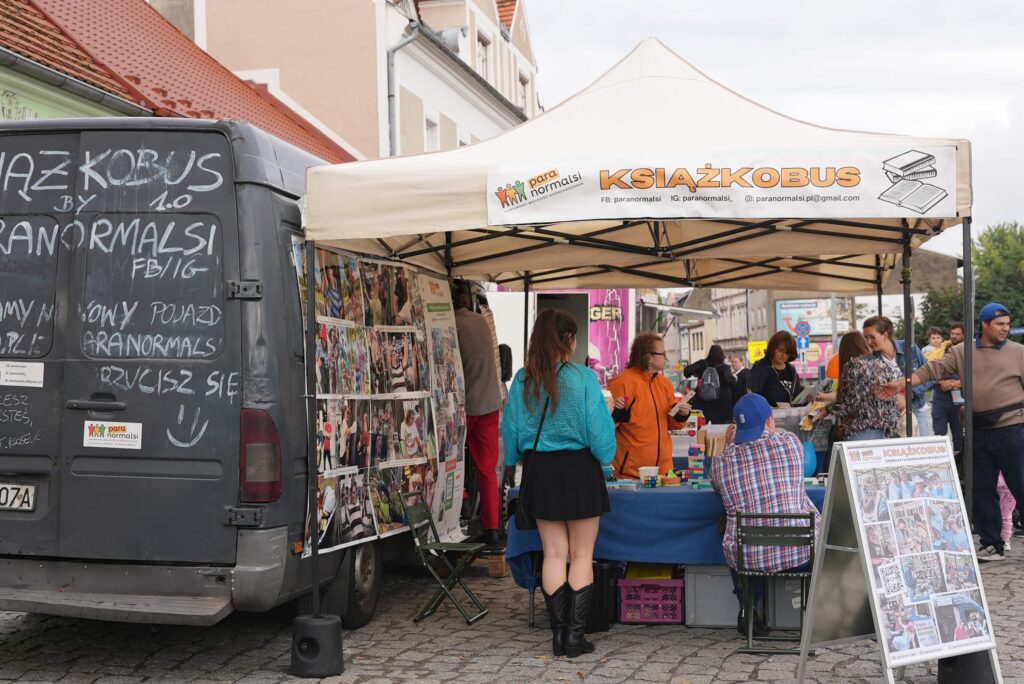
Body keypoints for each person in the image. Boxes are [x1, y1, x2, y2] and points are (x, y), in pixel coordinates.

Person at [502, 309, 616, 659]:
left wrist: (514, 460)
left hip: (540, 472)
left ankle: (557, 637)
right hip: (580, 470)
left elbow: (511, 435)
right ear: (568, 340)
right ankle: (574, 638)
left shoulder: (522, 379)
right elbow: (601, 440)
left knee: (553, 554)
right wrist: (607, 452)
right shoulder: (583, 378)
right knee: (582, 555)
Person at [878, 303, 1024, 562]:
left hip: (1012, 428)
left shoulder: (1019, 352)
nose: (1005, 328)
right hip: (978, 428)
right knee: (981, 487)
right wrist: (901, 383)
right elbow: (931, 370)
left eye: (1007, 324)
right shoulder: (961, 351)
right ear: (984, 324)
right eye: (999, 324)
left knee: (1020, 484)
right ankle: (992, 544)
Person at [711, 393, 821, 637]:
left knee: (733, 527)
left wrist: (729, 446)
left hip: (749, 559)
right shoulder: (791, 444)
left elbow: (717, 485)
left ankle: (747, 609)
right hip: (801, 554)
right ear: (770, 422)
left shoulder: (721, 462)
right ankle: (818, 614)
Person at [452, 281, 505, 549]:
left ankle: (460, 505)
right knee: (487, 469)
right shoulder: (481, 321)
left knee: (453, 460)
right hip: (490, 401)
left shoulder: (454, 325)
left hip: (466, 405)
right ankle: (492, 529)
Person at [608, 333, 691, 479]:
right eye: (663, 353)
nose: (666, 357)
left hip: (663, 472)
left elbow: (672, 424)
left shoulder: (665, 384)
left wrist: (681, 414)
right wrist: (617, 412)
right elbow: (608, 424)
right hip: (631, 473)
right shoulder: (623, 382)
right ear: (649, 357)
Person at [863, 315, 933, 436]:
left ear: (885, 335)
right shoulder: (870, 359)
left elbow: (930, 375)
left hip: (916, 407)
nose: (869, 342)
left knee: (922, 445)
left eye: (872, 337)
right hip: (888, 415)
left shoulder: (910, 348)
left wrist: (910, 393)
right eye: (866, 338)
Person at [825, 331, 901, 440]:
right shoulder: (880, 364)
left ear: (844, 350)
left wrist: (828, 409)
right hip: (883, 430)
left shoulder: (853, 366)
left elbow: (851, 403)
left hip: (862, 430)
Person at [932, 323, 965, 456]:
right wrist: (941, 382)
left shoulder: (969, 351)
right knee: (939, 433)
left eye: (958, 334)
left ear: (964, 335)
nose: (954, 336)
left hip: (960, 399)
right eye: (952, 333)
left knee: (959, 435)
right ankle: (942, 461)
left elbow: (976, 376)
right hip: (940, 397)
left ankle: (960, 463)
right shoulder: (940, 349)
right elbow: (930, 370)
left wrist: (956, 383)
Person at [747, 331, 804, 407]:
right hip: (769, 414)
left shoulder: (791, 370)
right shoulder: (761, 368)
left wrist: (806, 397)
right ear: (773, 348)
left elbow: (796, 395)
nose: (783, 355)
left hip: (793, 413)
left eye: (787, 353)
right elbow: (753, 397)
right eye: (780, 350)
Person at [683, 345, 736, 424]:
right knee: (721, 429)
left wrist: (697, 373)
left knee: (700, 427)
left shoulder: (701, 364)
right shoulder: (724, 368)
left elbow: (686, 371)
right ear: (721, 355)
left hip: (702, 403)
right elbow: (731, 382)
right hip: (721, 405)